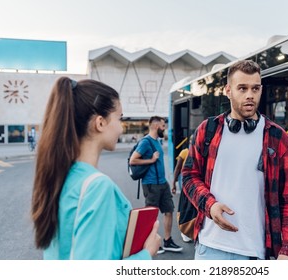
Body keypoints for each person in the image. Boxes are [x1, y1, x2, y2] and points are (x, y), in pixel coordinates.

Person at [182, 60, 288, 260]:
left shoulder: (278, 137)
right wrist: (210, 206)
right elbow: (189, 176)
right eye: (242, 88)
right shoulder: (207, 130)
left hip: (255, 253)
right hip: (209, 249)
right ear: (228, 91)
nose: (250, 95)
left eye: (255, 89)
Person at [31, 77, 160, 260]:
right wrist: (147, 254)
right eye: (119, 118)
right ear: (100, 123)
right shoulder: (97, 187)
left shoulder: (61, 177)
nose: (121, 129)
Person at [129, 116, 183, 254]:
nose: (164, 128)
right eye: (163, 126)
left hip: (162, 182)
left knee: (169, 210)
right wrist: (151, 160)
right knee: (151, 215)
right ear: (155, 126)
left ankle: (167, 241)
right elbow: (133, 160)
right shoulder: (145, 142)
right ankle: (152, 242)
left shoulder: (157, 141)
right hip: (151, 184)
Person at [172, 135, 193, 243]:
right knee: (185, 206)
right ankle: (184, 231)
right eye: (191, 140)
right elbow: (177, 168)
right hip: (185, 182)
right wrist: (173, 183)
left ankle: (190, 229)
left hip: (196, 184)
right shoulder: (184, 152)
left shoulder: (200, 152)